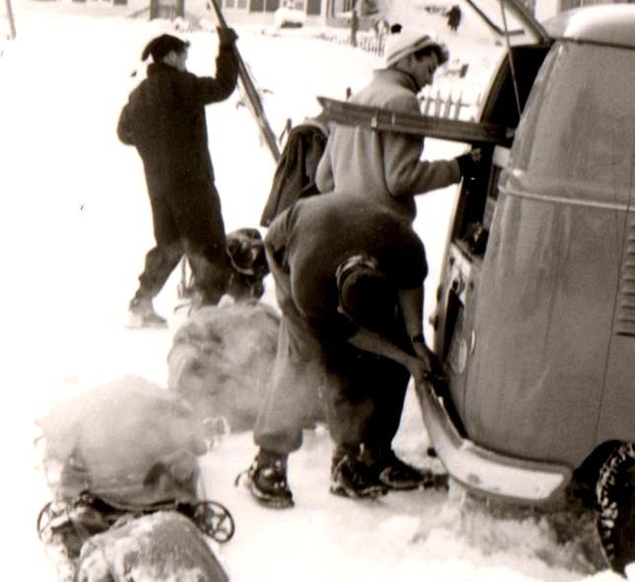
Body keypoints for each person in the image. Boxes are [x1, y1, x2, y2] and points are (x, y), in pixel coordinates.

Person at [241, 192, 441, 507]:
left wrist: (415, 344)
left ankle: (374, 453)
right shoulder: (310, 286)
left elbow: (411, 284)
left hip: (346, 227)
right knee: (307, 354)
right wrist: (403, 358)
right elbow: (350, 337)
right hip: (287, 247)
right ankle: (270, 459)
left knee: (396, 346)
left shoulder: (404, 245)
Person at [118, 29, 239, 327]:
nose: (185, 60)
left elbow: (123, 132)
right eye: (183, 55)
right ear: (170, 56)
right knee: (208, 246)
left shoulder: (138, 95)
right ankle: (206, 315)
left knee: (169, 247)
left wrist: (155, 146)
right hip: (193, 184)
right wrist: (226, 48)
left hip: (159, 188)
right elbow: (223, 87)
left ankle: (141, 305)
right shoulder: (181, 85)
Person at [315, 30, 481, 222]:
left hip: (345, 225)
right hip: (383, 229)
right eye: (429, 70)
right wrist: (458, 167)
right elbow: (402, 179)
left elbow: (324, 179)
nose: (430, 82)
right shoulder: (403, 100)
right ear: (409, 59)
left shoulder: (353, 101)